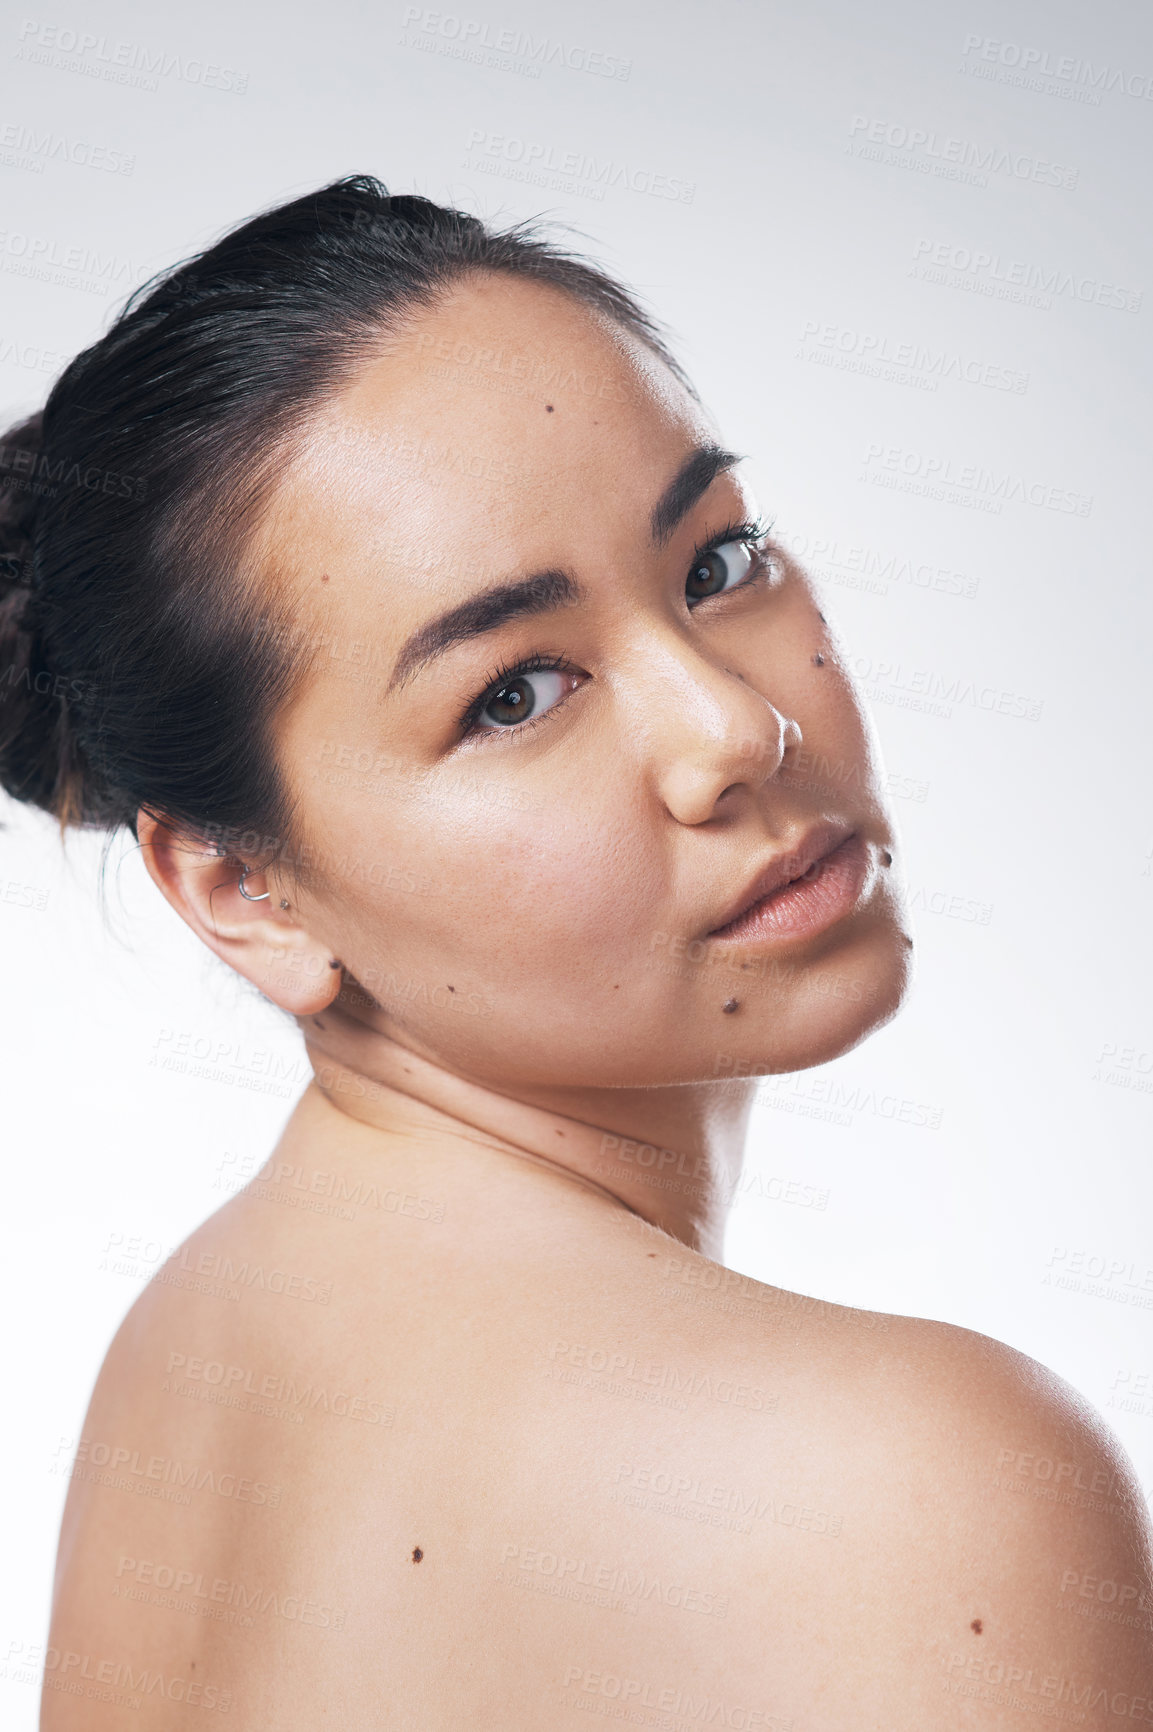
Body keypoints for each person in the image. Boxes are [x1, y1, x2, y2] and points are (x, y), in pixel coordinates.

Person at [3, 175, 1149, 1729]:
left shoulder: (195, 1366)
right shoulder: (912, 1480)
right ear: (245, 892)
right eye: (514, 694)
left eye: (715, 565)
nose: (738, 729)